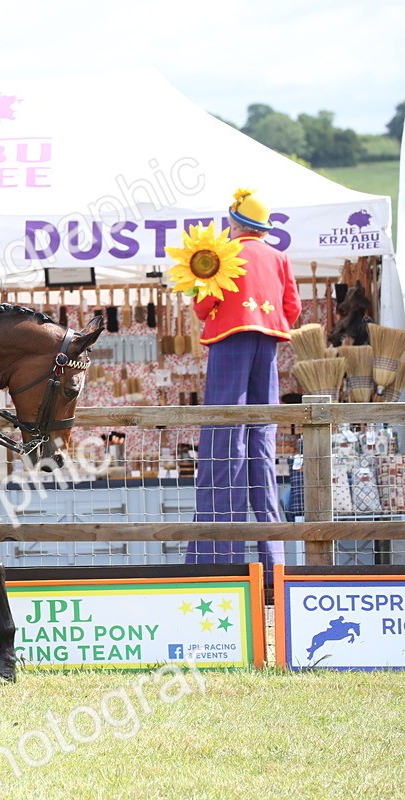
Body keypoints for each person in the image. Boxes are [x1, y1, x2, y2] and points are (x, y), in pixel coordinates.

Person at [187, 188, 301, 576]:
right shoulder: (280, 256)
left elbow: (203, 305)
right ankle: (274, 566)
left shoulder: (224, 252)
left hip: (229, 340)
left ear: (235, 223)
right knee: (261, 439)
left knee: (223, 438)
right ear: (263, 229)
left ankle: (221, 563)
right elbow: (293, 309)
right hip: (268, 345)